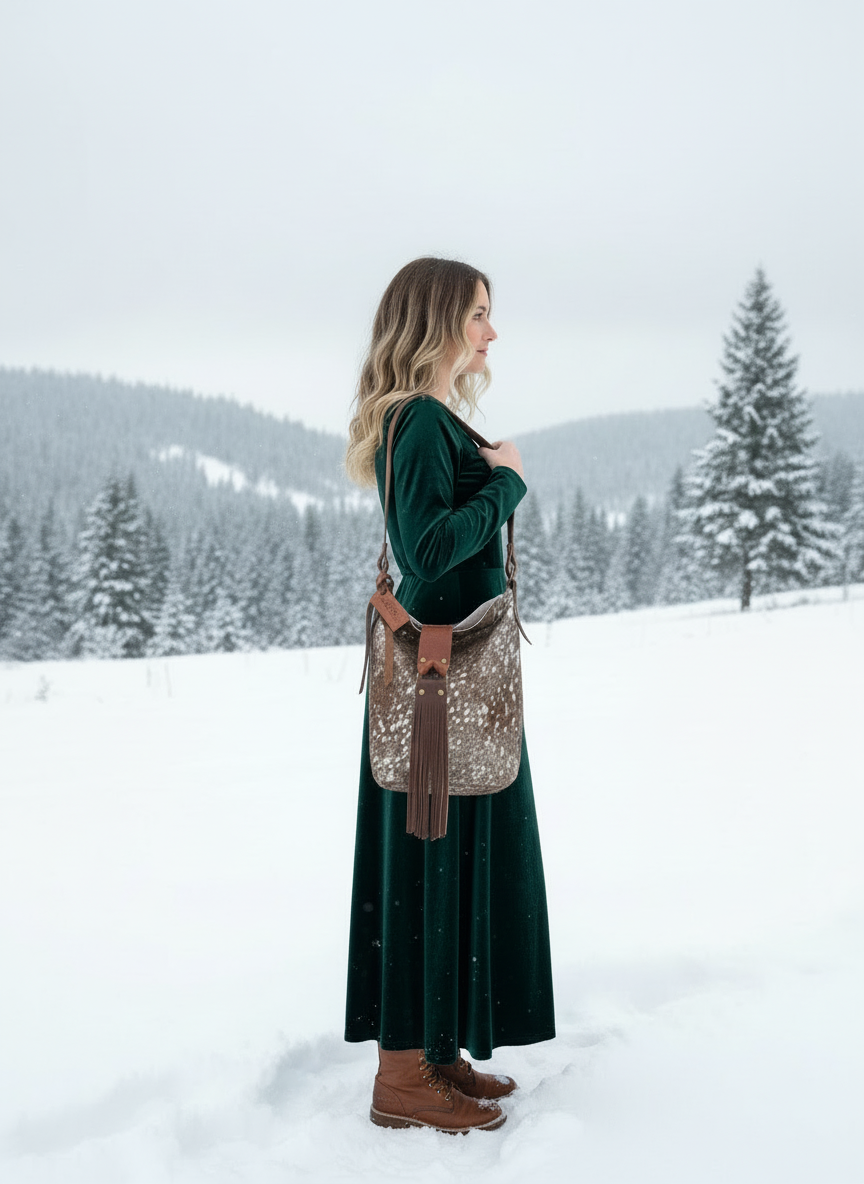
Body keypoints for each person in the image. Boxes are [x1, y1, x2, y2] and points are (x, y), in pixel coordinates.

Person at [344, 257, 554, 1133]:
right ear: (434, 320)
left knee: (444, 850)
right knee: (428, 855)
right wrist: (507, 478)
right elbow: (427, 551)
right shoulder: (420, 421)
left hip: (447, 686)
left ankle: (435, 1054)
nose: (490, 332)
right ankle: (403, 1078)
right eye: (476, 314)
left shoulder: (427, 420)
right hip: (441, 689)